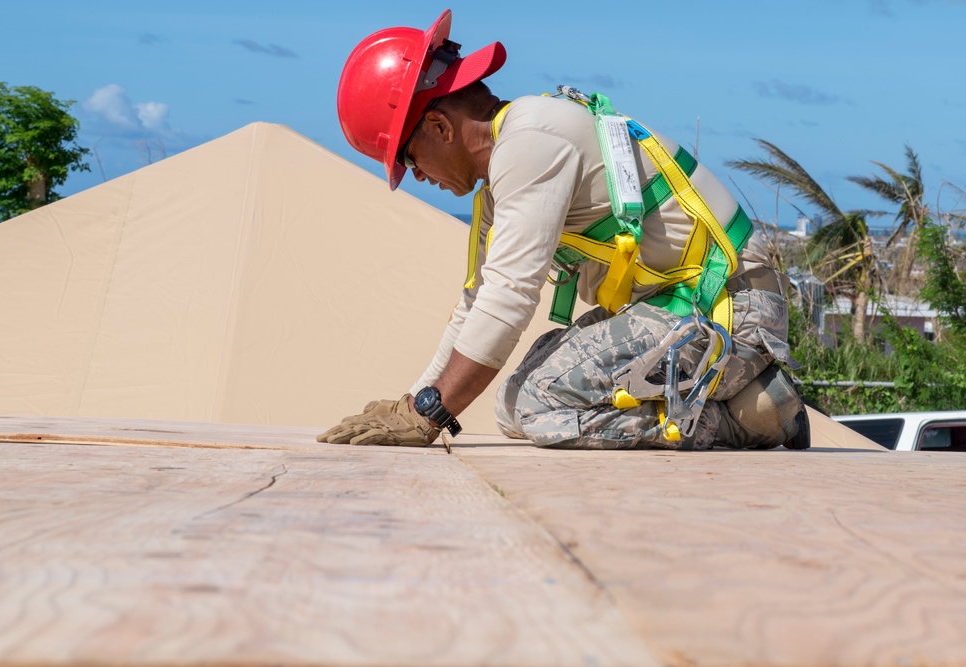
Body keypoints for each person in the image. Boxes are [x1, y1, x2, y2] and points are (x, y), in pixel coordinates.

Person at [318, 9, 809, 450]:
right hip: (682, 307)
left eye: (409, 159)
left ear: (440, 128)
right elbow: (477, 303)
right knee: (513, 408)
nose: (418, 176)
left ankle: (755, 418)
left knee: (540, 409)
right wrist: (418, 401)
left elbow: (510, 299)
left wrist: (431, 416)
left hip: (732, 310)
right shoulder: (505, 169)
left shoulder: (531, 143)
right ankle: (745, 397)